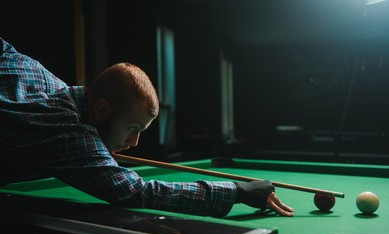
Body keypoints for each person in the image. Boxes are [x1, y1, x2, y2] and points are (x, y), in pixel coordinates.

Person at [0, 37, 294, 217]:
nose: (135, 142)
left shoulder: (34, 71)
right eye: (132, 127)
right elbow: (138, 192)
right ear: (102, 110)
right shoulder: (67, 133)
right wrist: (238, 191)